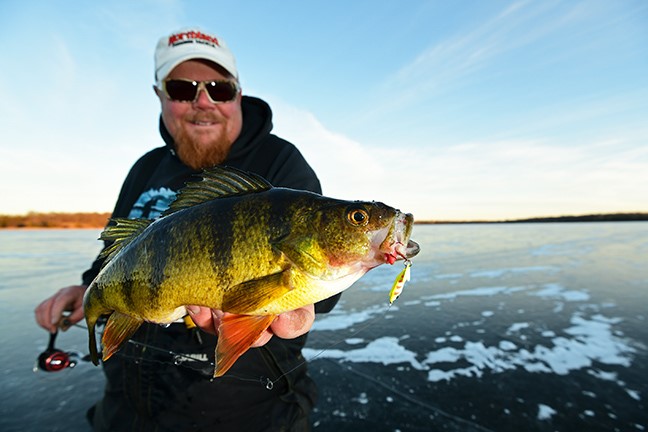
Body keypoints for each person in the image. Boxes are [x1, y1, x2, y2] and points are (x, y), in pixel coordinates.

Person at [34, 27, 339, 432]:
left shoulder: (279, 162)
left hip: (246, 415)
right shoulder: (145, 167)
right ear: (160, 95)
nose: (203, 101)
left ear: (238, 93)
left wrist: (296, 303)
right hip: (125, 409)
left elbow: (316, 290)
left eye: (219, 87)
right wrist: (86, 289)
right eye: (182, 89)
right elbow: (114, 255)